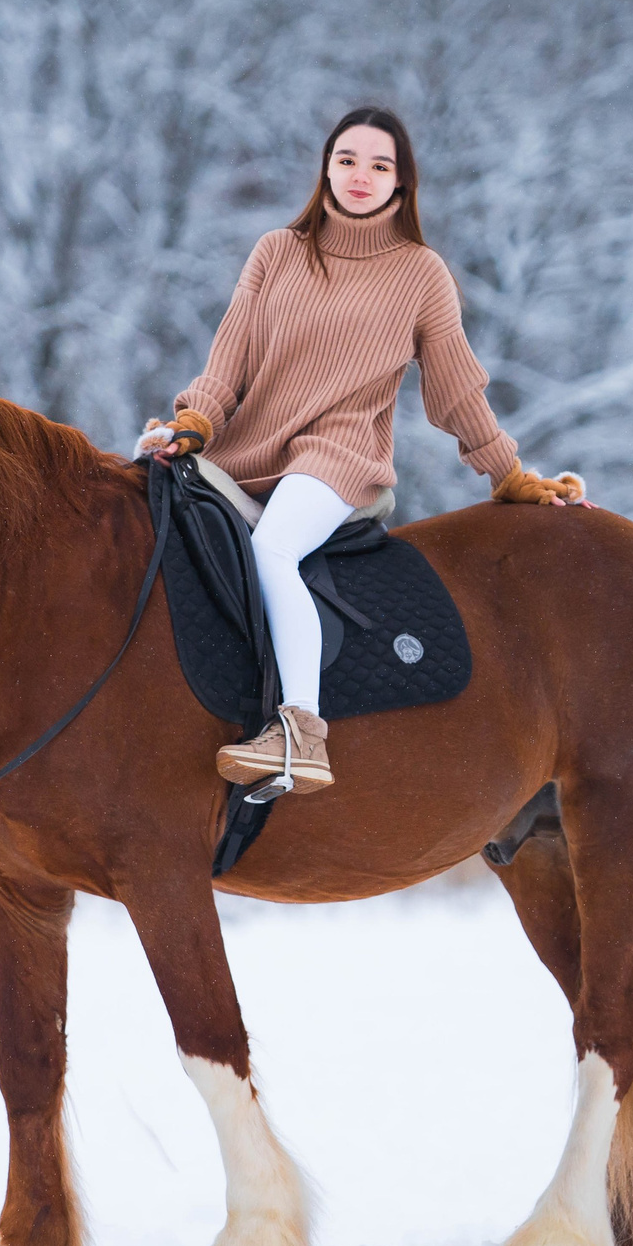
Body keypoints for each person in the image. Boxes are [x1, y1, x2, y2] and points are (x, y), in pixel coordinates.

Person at [138, 106, 582, 795]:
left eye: (381, 165)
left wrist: (509, 472)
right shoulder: (276, 251)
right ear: (326, 167)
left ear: (403, 184)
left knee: (274, 550)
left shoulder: (420, 273)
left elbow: (455, 391)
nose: (360, 176)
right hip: (247, 446)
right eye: (347, 159)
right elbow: (230, 358)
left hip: (337, 457)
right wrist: (194, 420)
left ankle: (301, 732)